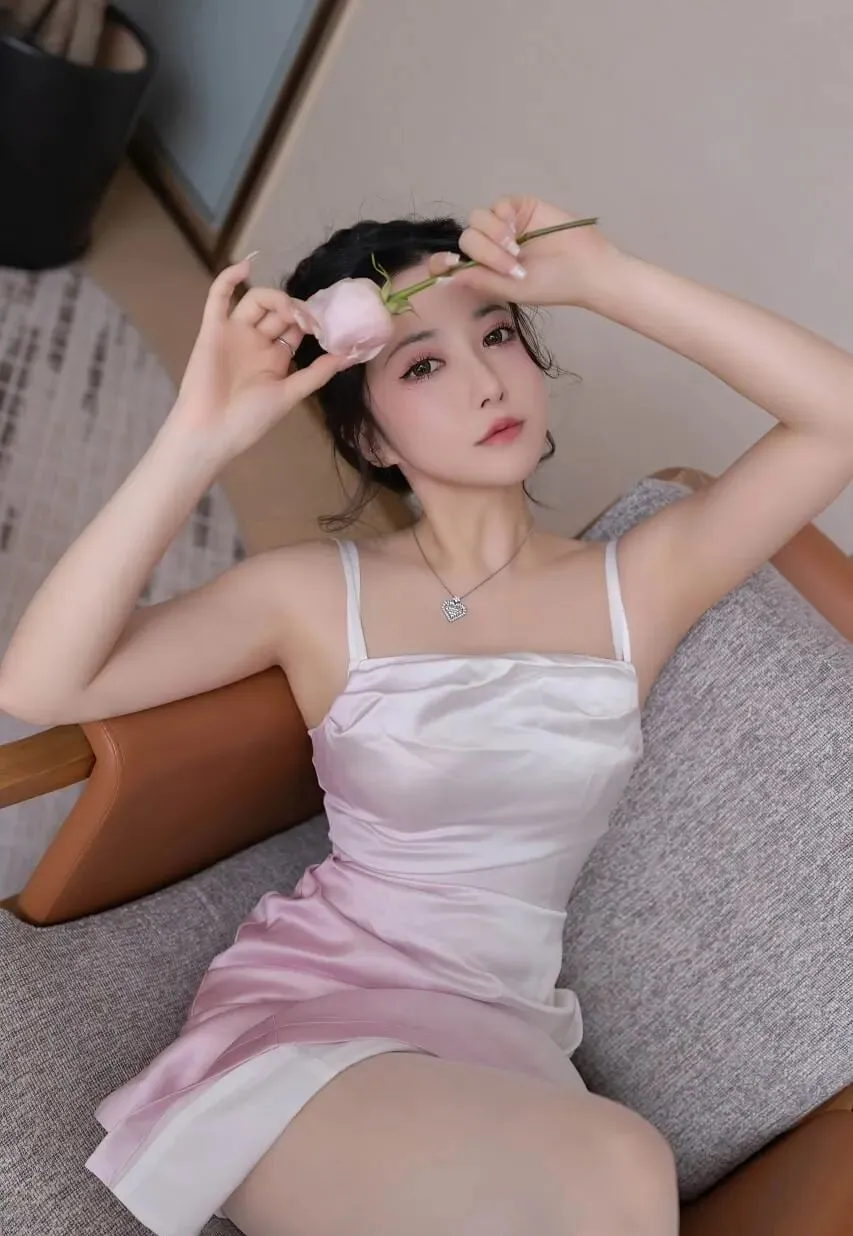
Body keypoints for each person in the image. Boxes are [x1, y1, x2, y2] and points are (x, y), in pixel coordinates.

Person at [2, 193, 852, 1236]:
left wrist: (610, 281)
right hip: (318, 1011)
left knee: (614, 1170)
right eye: (420, 366)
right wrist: (199, 436)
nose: (486, 381)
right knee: (624, 1163)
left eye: (496, 335)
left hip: (505, 1038)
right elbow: (41, 684)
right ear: (368, 435)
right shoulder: (315, 595)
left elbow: (838, 415)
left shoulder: (641, 584)